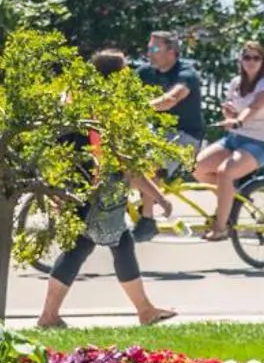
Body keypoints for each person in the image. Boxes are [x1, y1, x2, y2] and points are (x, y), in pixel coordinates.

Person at [36, 49, 176, 329]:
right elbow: (127, 165)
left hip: (80, 187)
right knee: (107, 245)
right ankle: (50, 316)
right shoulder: (108, 112)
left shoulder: (78, 102)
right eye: (125, 73)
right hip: (97, 192)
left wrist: (55, 186)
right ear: (116, 76)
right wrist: (159, 196)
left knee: (87, 247)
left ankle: (142, 310)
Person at [191, 41, 264, 241]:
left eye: (256, 58)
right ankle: (232, 199)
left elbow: (256, 107)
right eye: (247, 57)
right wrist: (229, 114)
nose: (251, 62)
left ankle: (221, 226)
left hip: (260, 144)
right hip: (235, 139)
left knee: (225, 172)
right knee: (197, 167)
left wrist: (239, 120)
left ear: (263, 61)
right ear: (240, 60)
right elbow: (231, 109)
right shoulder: (235, 83)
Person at [133, 31, 204, 223]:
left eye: (154, 48)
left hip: (185, 136)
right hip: (156, 133)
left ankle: (147, 220)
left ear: (171, 51)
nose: (149, 53)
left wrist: (140, 106)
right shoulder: (145, 72)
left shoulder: (186, 74)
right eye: (148, 48)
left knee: (151, 168)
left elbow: (171, 99)